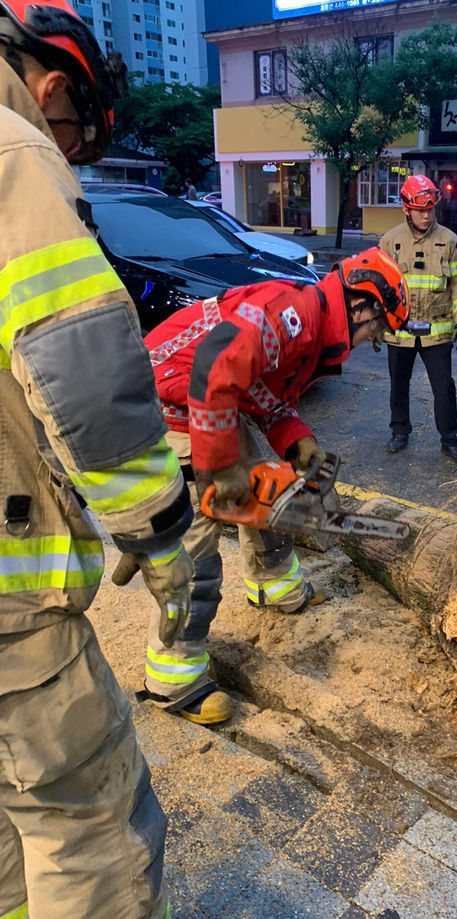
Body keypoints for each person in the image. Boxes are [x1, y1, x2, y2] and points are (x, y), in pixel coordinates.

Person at [0, 2, 194, 917]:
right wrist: (160, 536)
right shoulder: (15, 155)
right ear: (51, 89)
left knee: (6, 827)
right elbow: (84, 380)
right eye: (72, 136)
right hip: (11, 614)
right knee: (95, 830)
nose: (65, 151)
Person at [143, 248, 410, 723]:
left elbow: (261, 392)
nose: (372, 338)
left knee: (268, 494)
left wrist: (297, 441)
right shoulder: (293, 316)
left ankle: (273, 586)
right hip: (175, 402)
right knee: (199, 535)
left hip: (211, 400)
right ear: (361, 304)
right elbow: (215, 367)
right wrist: (220, 469)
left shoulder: (309, 329)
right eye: (375, 328)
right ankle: (173, 677)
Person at [379, 174, 457, 463]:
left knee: (444, 388)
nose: (426, 215)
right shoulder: (389, 241)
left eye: (430, 210)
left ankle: (450, 439)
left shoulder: (449, 241)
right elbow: (378, 288)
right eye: (420, 210)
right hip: (400, 332)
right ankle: (400, 430)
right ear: (406, 209)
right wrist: (374, 324)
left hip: (437, 332)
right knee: (399, 384)